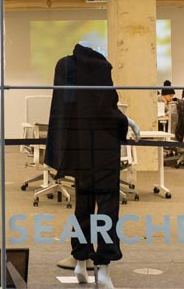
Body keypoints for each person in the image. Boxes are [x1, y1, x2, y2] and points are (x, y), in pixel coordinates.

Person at [44, 41, 139, 289]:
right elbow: (104, 108)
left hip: (77, 145)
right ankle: (103, 267)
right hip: (103, 145)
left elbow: (62, 107)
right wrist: (127, 120)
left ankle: (80, 260)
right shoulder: (99, 67)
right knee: (107, 205)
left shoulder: (64, 65)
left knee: (83, 203)